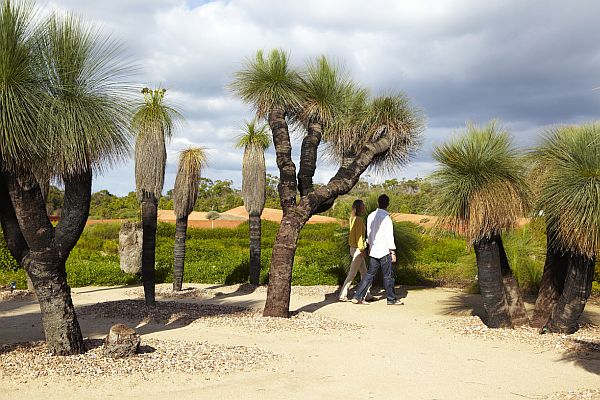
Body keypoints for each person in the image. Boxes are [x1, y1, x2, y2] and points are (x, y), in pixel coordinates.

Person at [352, 194, 401, 305]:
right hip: (384, 251)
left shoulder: (370, 216)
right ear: (388, 204)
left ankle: (358, 296)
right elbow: (389, 236)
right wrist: (392, 251)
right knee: (388, 275)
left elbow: (369, 234)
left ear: (378, 203)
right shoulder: (386, 218)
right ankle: (391, 299)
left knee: (369, 275)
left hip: (374, 250)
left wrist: (369, 247)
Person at [339, 199, 373, 302]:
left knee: (364, 273)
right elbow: (359, 237)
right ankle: (342, 294)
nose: (364, 208)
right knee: (352, 273)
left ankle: (367, 294)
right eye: (363, 206)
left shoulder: (352, 218)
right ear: (359, 208)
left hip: (353, 248)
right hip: (358, 249)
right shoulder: (358, 220)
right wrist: (362, 249)